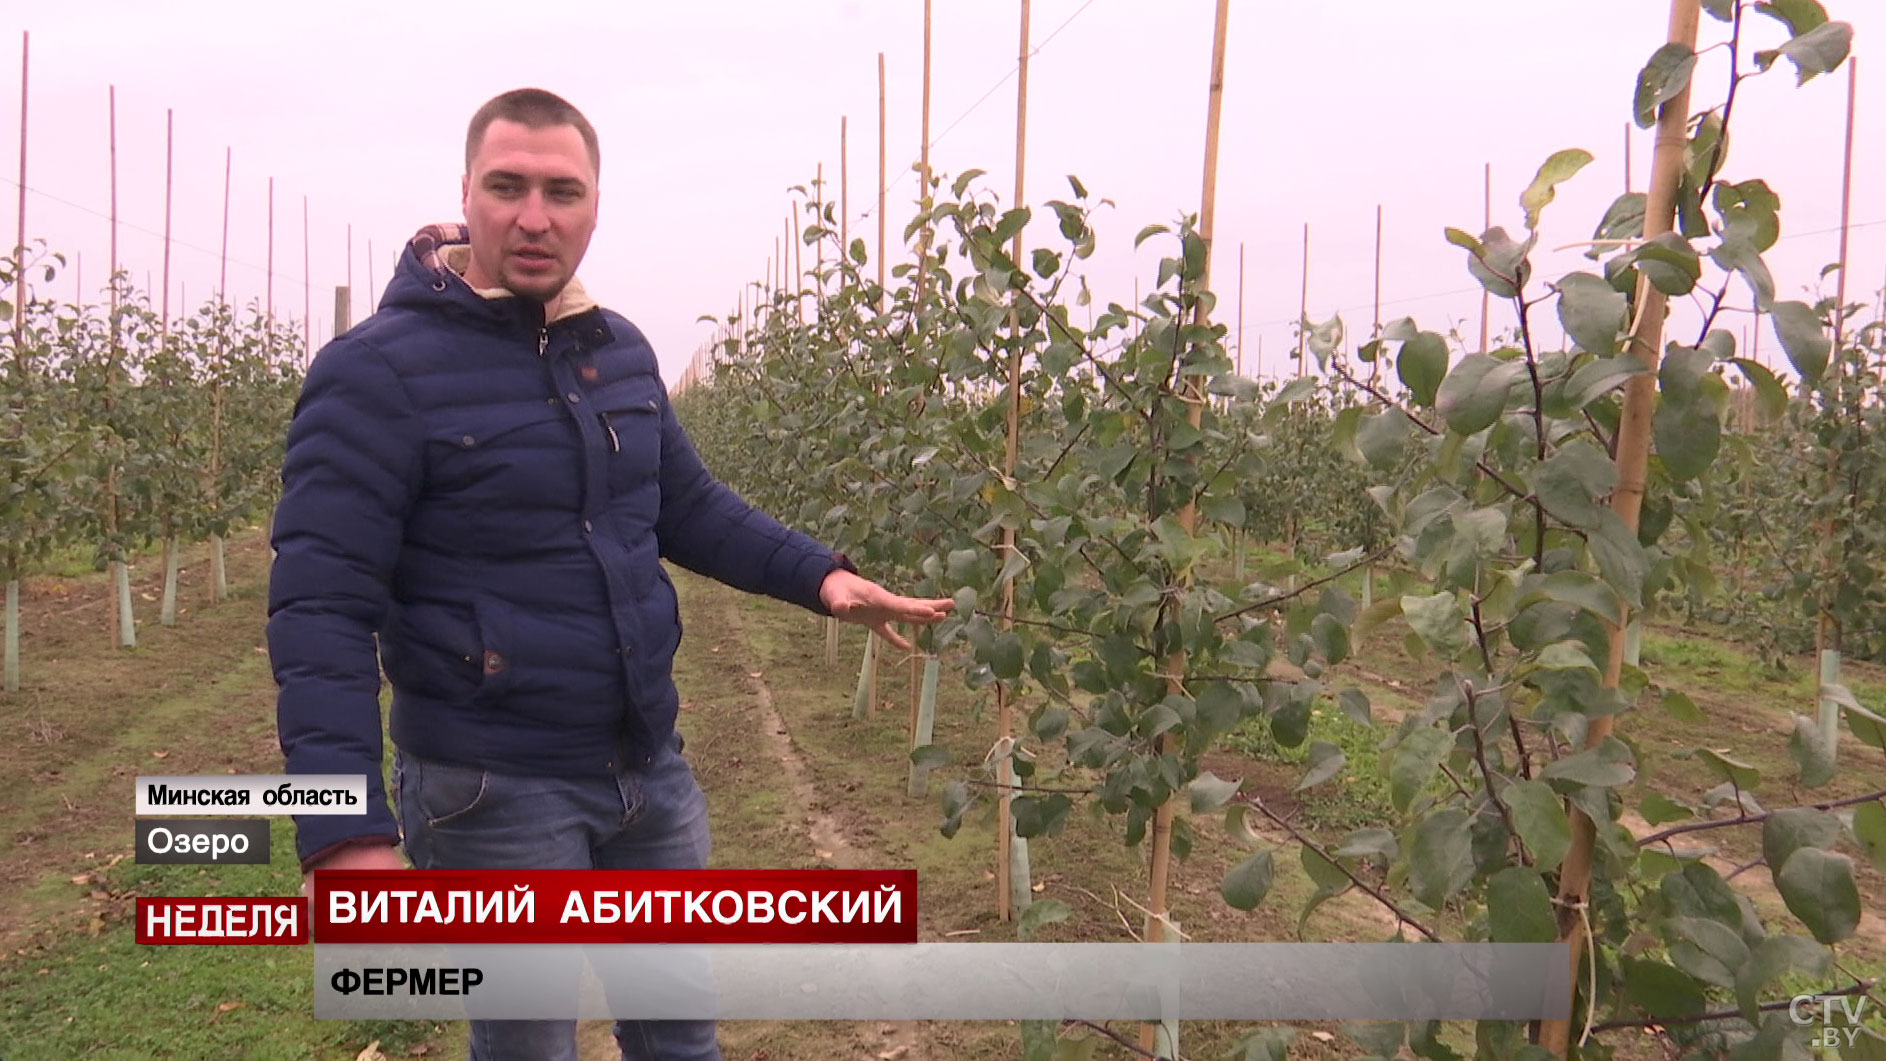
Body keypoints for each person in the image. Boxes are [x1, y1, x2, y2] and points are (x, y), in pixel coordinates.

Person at [267, 87, 953, 1061]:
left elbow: (685, 504)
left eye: (561, 190)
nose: (534, 215)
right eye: (506, 187)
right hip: (490, 787)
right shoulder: (377, 371)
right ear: (466, 193)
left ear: (595, 203)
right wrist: (343, 836)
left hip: (646, 769)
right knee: (527, 1044)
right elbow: (318, 604)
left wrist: (823, 578)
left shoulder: (613, 348)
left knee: (679, 1037)